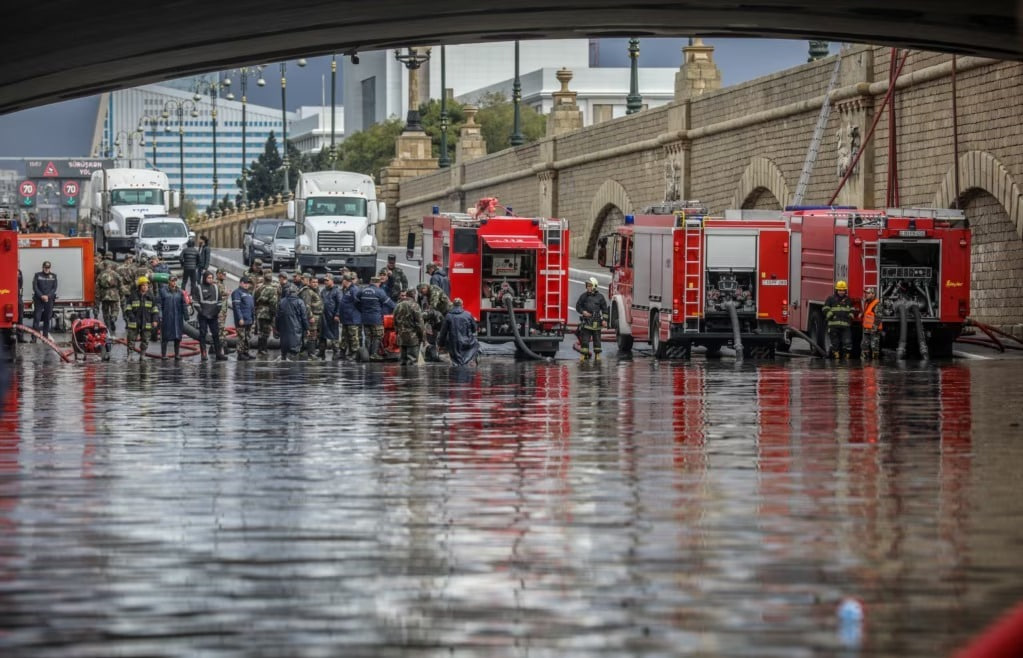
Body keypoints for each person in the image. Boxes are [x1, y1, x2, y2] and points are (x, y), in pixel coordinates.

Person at [358, 275, 395, 360]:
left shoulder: (362, 290)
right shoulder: (379, 291)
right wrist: (398, 307)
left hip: (365, 318)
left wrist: (362, 310)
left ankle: (367, 353)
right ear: (378, 283)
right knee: (378, 336)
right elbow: (389, 303)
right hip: (376, 319)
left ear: (370, 282)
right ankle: (374, 354)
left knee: (368, 336)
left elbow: (356, 302)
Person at [194, 270, 226, 362]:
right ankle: (204, 354)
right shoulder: (199, 288)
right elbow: (195, 302)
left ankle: (218, 354)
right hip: (203, 316)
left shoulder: (215, 288)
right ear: (204, 278)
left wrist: (215, 312)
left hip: (213, 316)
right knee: (202, 335)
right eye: (208, 278)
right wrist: (202, 313)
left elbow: (219, 302)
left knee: (216, 335)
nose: (210, 279)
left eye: (211, 278)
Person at [125, 276, 160, 361]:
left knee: (145, 339)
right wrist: (131, 317)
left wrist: (155, 320)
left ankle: (142, 355)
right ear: (140, 286)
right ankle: (130, 355)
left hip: (147, 321)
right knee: (131, 338)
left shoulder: (151, 297)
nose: (145, 287)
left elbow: (155, 310)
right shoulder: (133, 295)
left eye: (146, 285)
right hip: (134, 321)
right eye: (143, 285)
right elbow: (128, 308)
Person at [437, 297, 480, 366]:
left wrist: (440, 344)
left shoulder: (448, 316)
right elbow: (474, 328)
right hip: (467, 342)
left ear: (453, 305)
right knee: (475, 347)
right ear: (462, 305)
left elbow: (443, 332)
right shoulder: (468, 315)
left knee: (456, 363)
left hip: (453, 344)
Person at [416, 281, 451, 362]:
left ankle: (445, 349)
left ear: (425, 287)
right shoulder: (427, 293)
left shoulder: (434, 290)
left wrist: (424, 314)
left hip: (447, 312)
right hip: (441, 313)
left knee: (445, 331)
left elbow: (433, 306)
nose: (422, 294)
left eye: (422, 291)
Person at [575, 276, 608, 361]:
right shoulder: (583, 296)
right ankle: (583, 355)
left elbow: (605, 309)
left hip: (597, 322)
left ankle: (597, 355)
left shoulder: (600, 297)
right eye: (587, 285)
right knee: (585, 340)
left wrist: (604, 320)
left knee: (597, 340)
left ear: (594, 286)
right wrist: (583, 312)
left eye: (590, 285)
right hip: (586, 322)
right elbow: (578, 306)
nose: (588, 287)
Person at [275, 284, 308, 361]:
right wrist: (307, 328)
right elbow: (304, 316)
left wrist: (277, 328)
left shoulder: (281, 302)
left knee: (284, 352)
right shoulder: (300, 302)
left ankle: (284, 360)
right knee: (294, 352)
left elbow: (277, 317)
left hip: (284, 330)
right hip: (296, 330)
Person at [393, 289, 426, 364]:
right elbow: (419, 324)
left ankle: (403, 375)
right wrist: (423, 337)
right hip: (412, 337)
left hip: (401, 337)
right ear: (414, 295)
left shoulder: (398, 305)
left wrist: (397, 332)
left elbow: (394, 320)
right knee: (412, 361)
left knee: (403, 361)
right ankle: (411, 375)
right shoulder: (415, 305)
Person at [159, 275, 187, 361]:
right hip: (167, 317)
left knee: (177, 336)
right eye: (172, 281)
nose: (174, 282)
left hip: (177, 317)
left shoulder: (179, 292)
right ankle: (163, 354)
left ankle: (177, 354)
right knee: (165, 336)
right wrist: (160, 315)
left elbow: (183, 304)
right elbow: (159, 304)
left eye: (175, 281)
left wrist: (186, 315)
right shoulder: (163, 291)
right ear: (168, 281)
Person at [824, 279, 854, 359]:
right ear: (836, 290)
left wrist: (851, 315)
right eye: (840, 290)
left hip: (845, 326)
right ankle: (836, 362)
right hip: (834, 326)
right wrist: (830, 315)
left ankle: (846, 360)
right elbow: (825, 309)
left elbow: (852, 309)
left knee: (847, 343)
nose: (841, 292)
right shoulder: (831, 299)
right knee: (835, 344)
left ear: (845, 291)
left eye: (843, 290)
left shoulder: (848, 300)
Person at [297, 272, 323, 359]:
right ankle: (311, 354)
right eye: (313, 282)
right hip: (312, 317)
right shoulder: (307, 291)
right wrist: (310, 316)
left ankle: (311, 352)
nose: (315, 284)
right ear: (309, 282)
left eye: (316, 282)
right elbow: (306, 305)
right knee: (311, 335)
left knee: (315, 335)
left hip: (318, 316)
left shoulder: (316, 291)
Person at [31, 260, 58, 342]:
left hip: (49, 300)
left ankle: (45, 337)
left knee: (47, 318)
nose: (47, 269)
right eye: (45, 267)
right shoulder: (37, 275)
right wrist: (41, 296)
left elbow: (54, 288)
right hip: (39, 299)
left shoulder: (54, 276)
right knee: (37, 318)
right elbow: (35, 287)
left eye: (48, 267)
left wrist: (48, 296)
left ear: (50, 268)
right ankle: (34, 338)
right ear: (42, 267)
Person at [255, 271, 280, 356]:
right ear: (271, 279)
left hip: (259, 312)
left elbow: (254, 298)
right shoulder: (272, 289)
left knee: (260, 332)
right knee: (266, 332)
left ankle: (260, 349)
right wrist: (274, 314)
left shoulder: (259, 288)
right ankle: (263, 349)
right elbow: (273, 302)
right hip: (267, 313)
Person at [338, 273, 363, 360]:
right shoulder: (346, 289)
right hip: (346, 318)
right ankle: (342, 352)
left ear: (345, 281)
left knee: (353, 337)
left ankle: (355, 353)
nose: (342, 282)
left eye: (343, 280)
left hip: (352, 318)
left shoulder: (354, 289)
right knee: (344, 336)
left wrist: (355, 312)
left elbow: (359, 302)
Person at [231, 276, 255, 360]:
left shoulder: (249, 294)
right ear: (240, 283)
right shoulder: (237, 293)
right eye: (244, 283)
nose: (246, 284)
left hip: (249, 320)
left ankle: (246, 352)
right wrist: (240, 318)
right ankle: (240, 354)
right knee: (241, 337)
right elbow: (236, 307)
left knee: (247, 337)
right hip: (241, 320)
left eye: (247, 283)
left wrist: (253, 319)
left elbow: (252, 308)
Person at [320, 274, 343, 360]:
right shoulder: (323, 291)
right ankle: (321, 352)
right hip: (324, 316)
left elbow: (340, 304)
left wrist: (337, 314)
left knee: (334, 334)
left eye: (327, 280)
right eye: (325, 280)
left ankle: (336, 351)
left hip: (333, 316)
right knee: (322, 335)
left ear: (332, 281)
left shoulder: (337, 291)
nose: (325, 282)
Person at [96, 260, 122, 333]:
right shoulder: (115, 274)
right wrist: (121, 293)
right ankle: (113, 318)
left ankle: (107, 326)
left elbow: (97, 287)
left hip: (104, 295)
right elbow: (120, 283)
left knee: (105, 311)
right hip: (114, 294)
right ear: (110, 266)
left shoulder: (100, 275)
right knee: (115, 309)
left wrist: (98, 296)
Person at [860, 286, 882, 360]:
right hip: (866, 329)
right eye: (866, 293)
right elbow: (868, 314)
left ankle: (875, 363)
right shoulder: (867, 302)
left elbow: (878, 317)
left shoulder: (877, 303)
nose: (866, 294)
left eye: (868, 293)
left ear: (873, 294)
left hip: (874, 330)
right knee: (864, 345)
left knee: (874, 346)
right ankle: (865, 363)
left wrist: (874, 328)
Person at [215, 269, 230, 352]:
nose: (224, 275)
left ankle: (218, 348)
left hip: (223, 311)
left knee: (221, 329)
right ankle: (222, 349)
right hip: (219, 311)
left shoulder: (221, 283)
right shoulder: (216, 283)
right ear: (218, 274)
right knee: (220, 329)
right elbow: (218, 295)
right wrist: (226, 293)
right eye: (223, 274)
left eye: (225, 274)